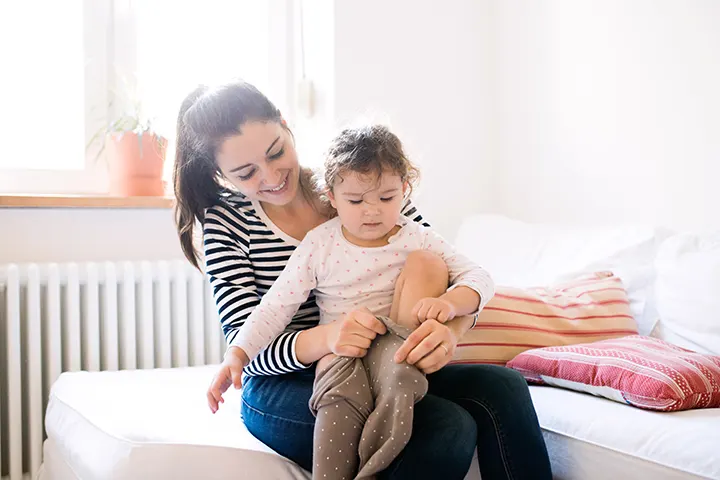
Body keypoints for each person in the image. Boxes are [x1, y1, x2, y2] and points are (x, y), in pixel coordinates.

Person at [173, 79, 552, 479]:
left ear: (286, 125)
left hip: (385, 357)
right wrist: (328, 338)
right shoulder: (228, 222)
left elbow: (445, 265)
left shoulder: (356, 184)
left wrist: (451, 331)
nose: (271, 176)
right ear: (220, 172)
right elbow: (247, 348)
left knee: (504, 387)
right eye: (246, 172)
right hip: (288, 382)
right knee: (446, 425)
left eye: (276, 152)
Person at [213, 124, 494, 479]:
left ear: (404, 191)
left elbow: (479, 277)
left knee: (412, 392)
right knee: (339, 411)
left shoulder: (415, 235)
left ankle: (374, 466)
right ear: (331, 197)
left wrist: (452, 308)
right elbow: (273, 308)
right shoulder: (319, 244)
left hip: (395, 353)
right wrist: (236, 354)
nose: (372, 212)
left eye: (387, 198)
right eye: (356, 201)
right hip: (339, 358)